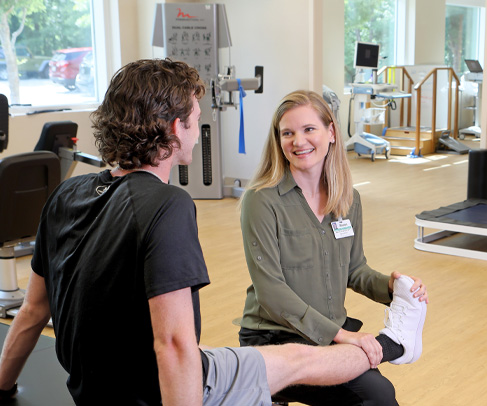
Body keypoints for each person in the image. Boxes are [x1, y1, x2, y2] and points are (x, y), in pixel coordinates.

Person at [0, 59, 422, 406]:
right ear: (172, 127)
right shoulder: (169, 204)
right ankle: (394, 342)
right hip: (170, 388)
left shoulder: (67, 193)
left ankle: (388, 340)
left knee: (302, 359)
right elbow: (175, 347)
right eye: (195, 119)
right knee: (298, 359)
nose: (199, 127)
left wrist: (3, 385)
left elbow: (34, 311)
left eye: (309, 130)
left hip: (98, 388)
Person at [238, 90, 429, 405]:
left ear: (332, 133)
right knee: (375, 397)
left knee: (379, 394)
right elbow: (270, 291)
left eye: (309, 129)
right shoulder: (261, 200)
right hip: (275, 338)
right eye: (288, 133)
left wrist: (392, 286)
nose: (298, 141)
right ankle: (395, 343)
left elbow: (354, 269)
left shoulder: (347, 199)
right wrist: (344, 337)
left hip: (329, 337)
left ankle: (396, 341)